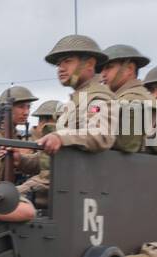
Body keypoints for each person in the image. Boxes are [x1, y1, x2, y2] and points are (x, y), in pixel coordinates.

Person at [18, 35, 115, 206]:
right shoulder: (77, 99)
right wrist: (20, 160)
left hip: (72, 188)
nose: (60, 68)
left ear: (90, 64)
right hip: (59, 184)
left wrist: (61, 137)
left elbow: (100, 134)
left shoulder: (97, 98)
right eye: (59, 64)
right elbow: (49, 161)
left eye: (67, 61)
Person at [100, 43, 157, 154]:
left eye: (108, 67)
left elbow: (126, 145)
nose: (103, 74)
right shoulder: (135, 97)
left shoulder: (132, 99)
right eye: (102, 69)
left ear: (129, 69)